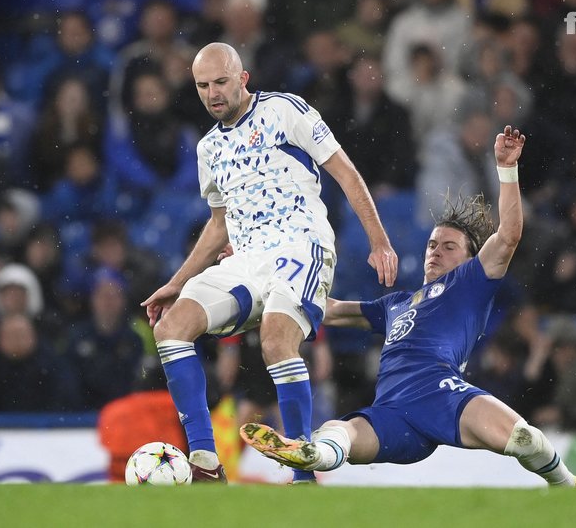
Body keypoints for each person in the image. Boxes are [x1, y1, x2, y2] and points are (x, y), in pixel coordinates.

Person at [241, 125, 576, 488]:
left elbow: (509, 235)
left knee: (524, 438)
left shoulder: (469, 282)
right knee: (339, 430)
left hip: (442, 394)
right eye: (433, 244)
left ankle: (567, 486)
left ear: (469, 259)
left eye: (449, 246)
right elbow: (330, 309)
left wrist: (507, 169)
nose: (436, 251)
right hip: (391, 414)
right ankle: (312, 456)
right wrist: (262, 279)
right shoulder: (397, 304)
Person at [141, 42, 398, 484]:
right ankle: (204, 460)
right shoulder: (208, 150)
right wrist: (177, 282)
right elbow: (219, 225)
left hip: (302, 247)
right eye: (203, 86)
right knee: (170, 329)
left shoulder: (285, 110)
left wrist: (380, 241)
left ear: (243, 78)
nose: (212, 93)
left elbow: (345, 171)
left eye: (221, 82)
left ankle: (302, 473)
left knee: (277, 339)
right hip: (246, 260)